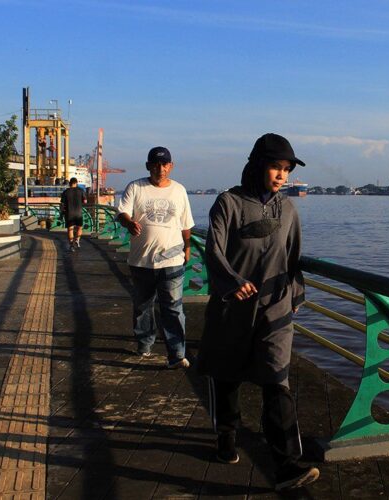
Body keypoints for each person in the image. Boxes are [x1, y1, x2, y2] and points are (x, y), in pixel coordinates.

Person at [196, 133, 318, 491]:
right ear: (256, 166)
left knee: (277, 380)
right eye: (276, 167)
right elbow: (213, 251)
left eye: (286, 170)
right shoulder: (228, 203)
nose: (282, 176)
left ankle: (286, 466)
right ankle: (226, 435)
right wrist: (232, 282)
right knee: (226, 374)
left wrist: (294, 296)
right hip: (233, 306)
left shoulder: (288, 210)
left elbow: (293, 258)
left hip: (274, 307)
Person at [117, 146, 195, 369]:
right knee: (143, 306)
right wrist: (128, 222)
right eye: (156, 164)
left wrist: (187, 247)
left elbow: (186, 224)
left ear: (171, 166)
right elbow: (122, 213)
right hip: (141, 260)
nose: (161, 168)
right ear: (148, 166)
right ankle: (145, 343)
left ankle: (177, 354)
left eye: (165, 164)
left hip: (172, 260)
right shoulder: (135, 187)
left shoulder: (179, 190)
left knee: (173, 308)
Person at [60, 177, 87, 251]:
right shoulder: (81, 191)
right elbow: (85, 201)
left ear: (69, 183)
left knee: (70, 229)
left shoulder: (65, 192)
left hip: (69, 213)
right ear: (76, 183)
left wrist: (61, 213)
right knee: (79, 228)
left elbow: (62, 204)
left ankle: (71, 245)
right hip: (78, 213)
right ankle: (77, 240)